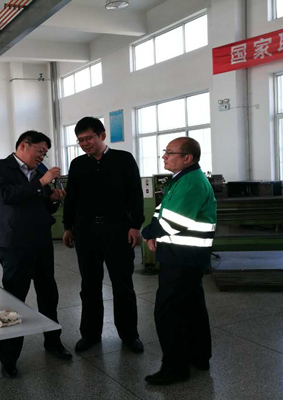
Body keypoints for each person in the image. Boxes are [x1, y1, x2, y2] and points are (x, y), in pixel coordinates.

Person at [0, 130, 72, 379]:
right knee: (14, 300)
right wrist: (42, 182)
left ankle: (53, 342)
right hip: (15, 245)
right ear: (24, 145)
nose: (42, 156)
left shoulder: (38, 171)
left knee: (49, 295)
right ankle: (8, 358)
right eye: (40, 150)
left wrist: (53, 199)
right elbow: (6, 195)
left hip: (41, 242)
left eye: (45, 153)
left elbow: (42, 204)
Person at [62, 116, 144, 354]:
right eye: (80, 140)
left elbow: (135, 194)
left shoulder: (124, 160)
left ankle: (129, 334)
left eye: (88, 138)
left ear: (102, 135)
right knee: (89, 285)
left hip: (118, 230)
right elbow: (71, 198)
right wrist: (68, 227)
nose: (84, 144)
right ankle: (90, 334)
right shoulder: (78, 164)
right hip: (86, 232)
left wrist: (135, 225)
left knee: (123, 285)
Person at [141, 137, 216, 385]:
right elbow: (161, 211)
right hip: (186, 256)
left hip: (182, 257)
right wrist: (153, 231)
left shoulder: (191, 182)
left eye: (169, 152)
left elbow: (173, 222)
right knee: (192, 307)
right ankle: (199, 357)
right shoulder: (181, 179)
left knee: (169, 311)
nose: (164, 156)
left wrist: (147, 233)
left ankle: (175, 368)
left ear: (187, 158)